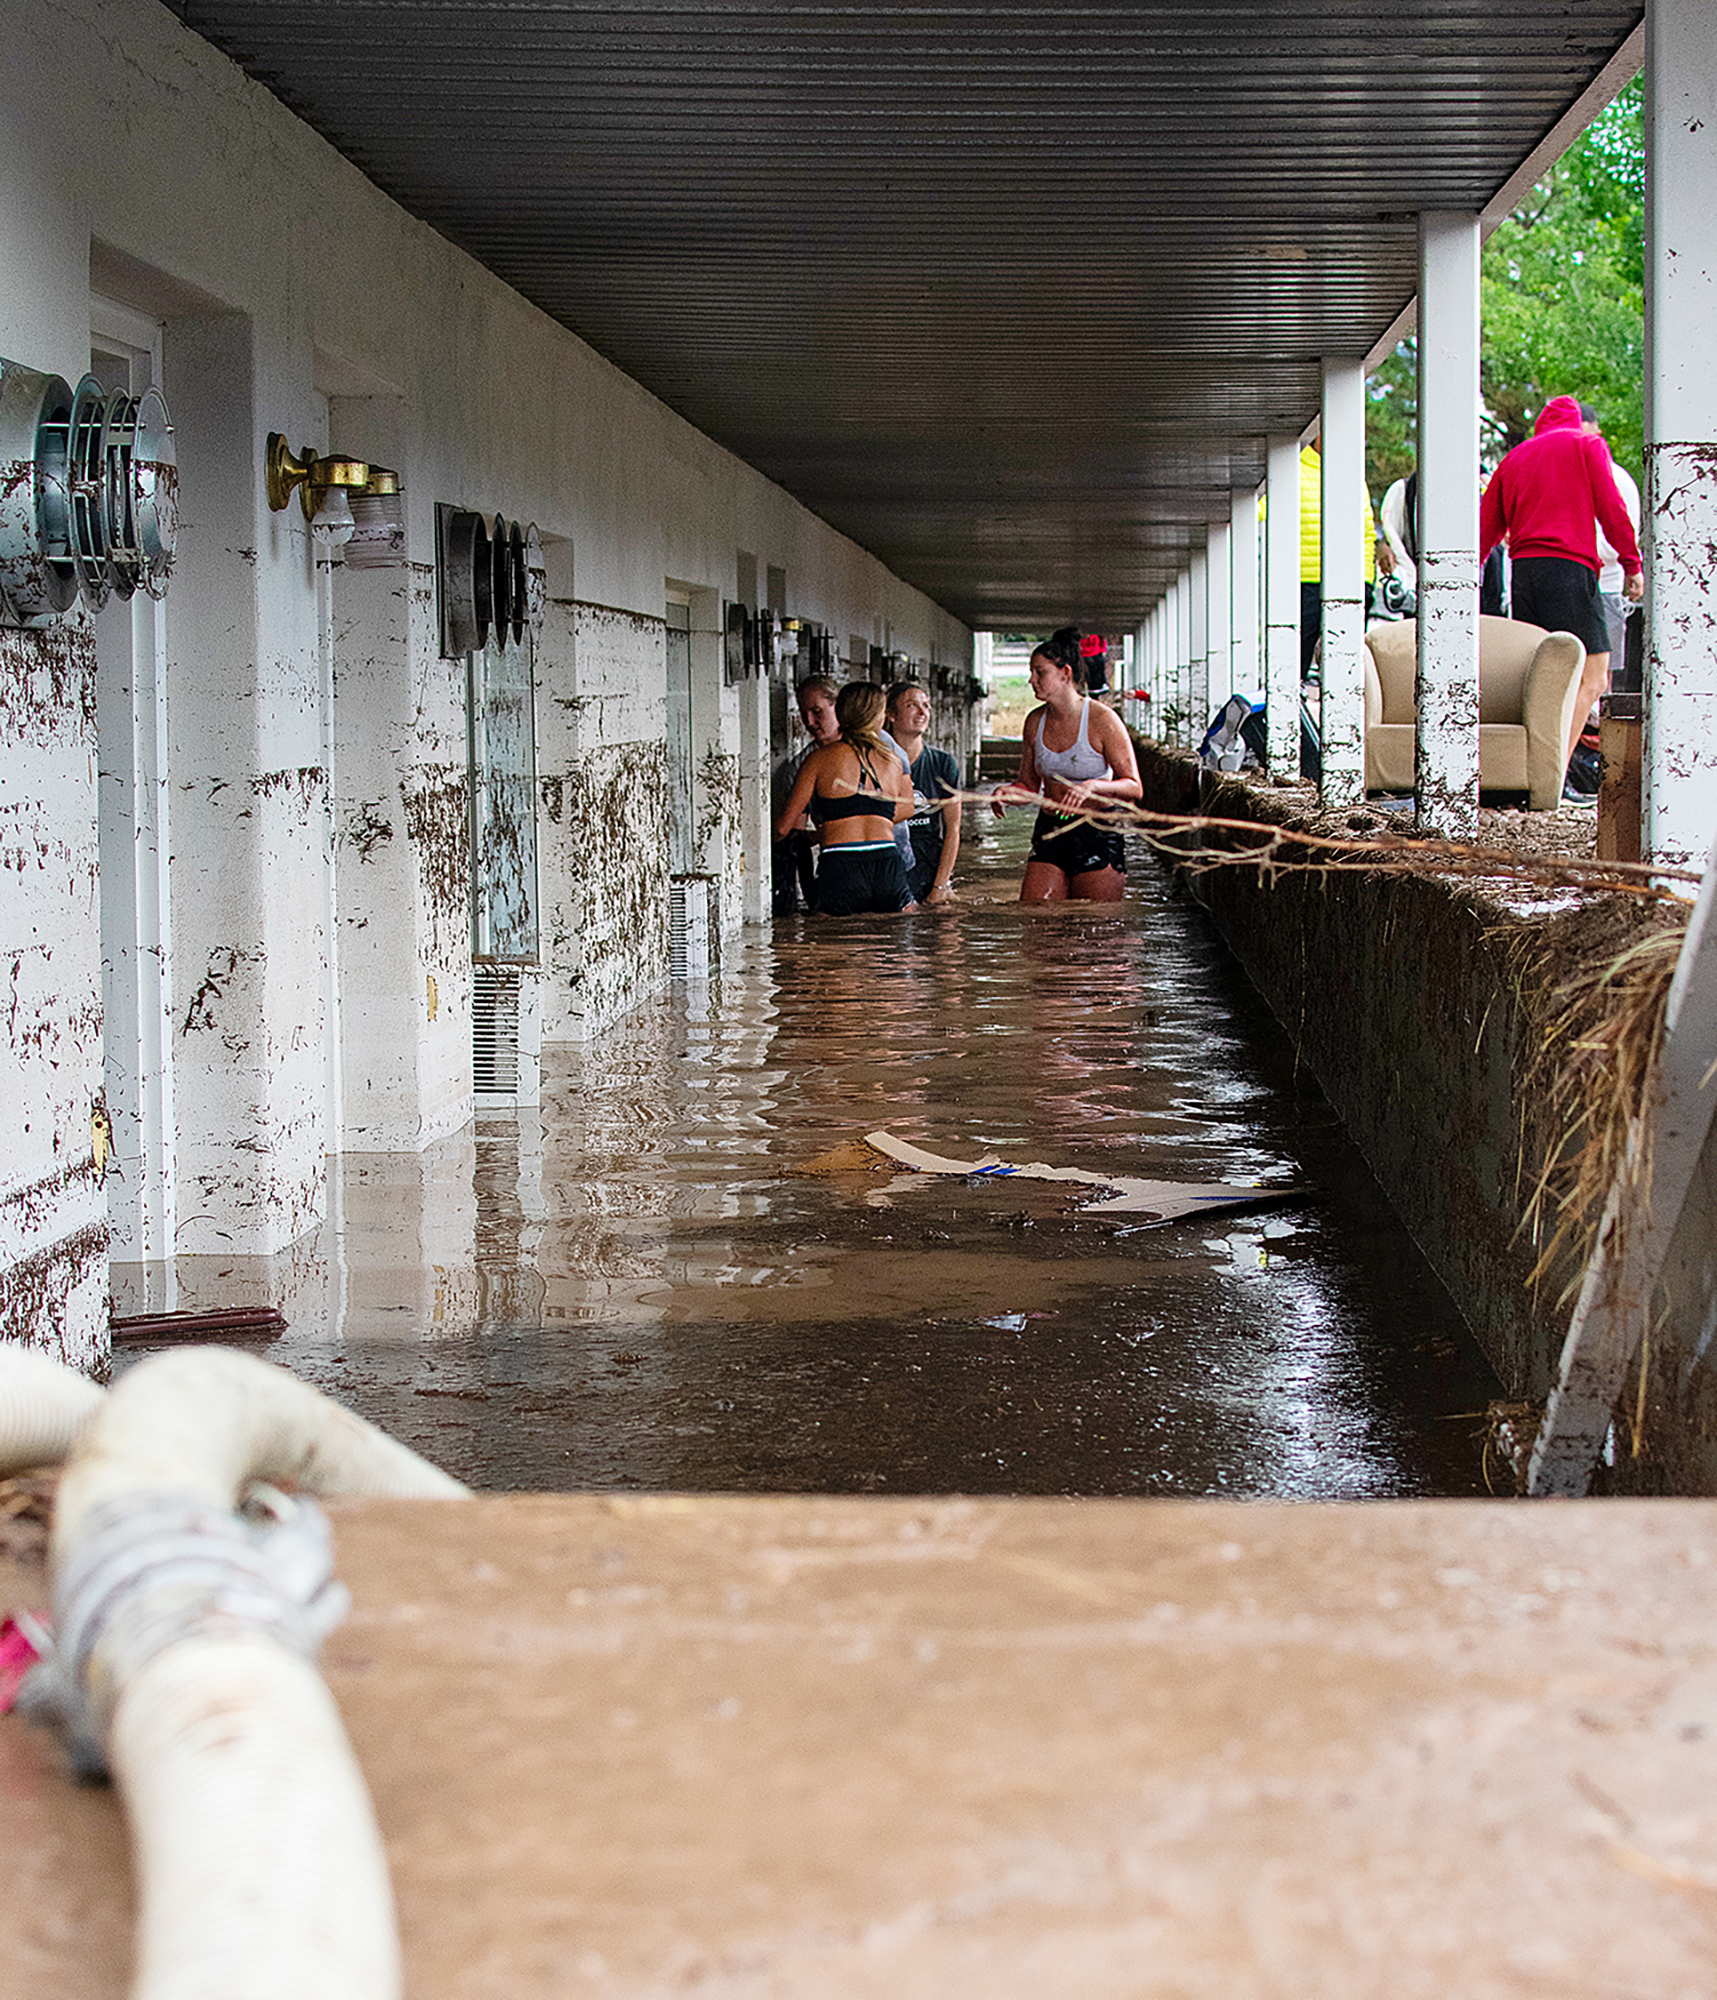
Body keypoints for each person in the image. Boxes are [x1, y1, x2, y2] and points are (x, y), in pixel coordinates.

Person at [1480, 393, 1643, 772]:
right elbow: (1611, 507)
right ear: (1576, 422)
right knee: (1594, 674)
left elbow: (1486, 526)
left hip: (1523, 573)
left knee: (1545, 680)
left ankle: (1531, 773)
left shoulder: (1514, 458)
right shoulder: (1587, 446)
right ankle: (1552, 773)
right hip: (1570, 570)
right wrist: (1631, 563)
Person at [990, 628, 1142, 903]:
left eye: (1040, 672)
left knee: (1095, 931)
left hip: (1097, 829)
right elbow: (1030, 786)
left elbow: (1134, 787)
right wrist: (1008, 792)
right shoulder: (1034, 722)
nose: (1031, 680)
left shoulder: (1102, 719)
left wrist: (1093, 786)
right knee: (1036, 921)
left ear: (1065, 673)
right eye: (1031, 672)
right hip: (1051, 827)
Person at [774, 682, 915, 915]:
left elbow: (783, 828)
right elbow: (907, 809)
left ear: (840, 713)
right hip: (887, 863)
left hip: (840, 864)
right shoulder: (893, 761)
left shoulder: (818, 759)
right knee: (898, 940)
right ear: (877, 718)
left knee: (835, 943)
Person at [1580, 402, 1642, 679]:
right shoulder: (1575, 475)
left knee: (1601, 674)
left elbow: (1624, 532)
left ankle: (1597, 720)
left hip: (1605, 584)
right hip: (1580, 582)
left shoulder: (1617, 478)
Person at [886, 681, 962, 905]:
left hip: (929, 863)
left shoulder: (942, 763)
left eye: (926, 706)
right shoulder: (878, 761)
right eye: (912, 705)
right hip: (889, 860)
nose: (922, 712)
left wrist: (940, 885)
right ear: (891, 714)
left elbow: (953, 829)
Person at [771, 676, 841, 913]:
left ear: (837, 705)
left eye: (817, 711)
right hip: (831, 863)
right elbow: (792, 828)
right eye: (804, 714)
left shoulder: (872, 749)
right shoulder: (798, 767)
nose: (810, 722)